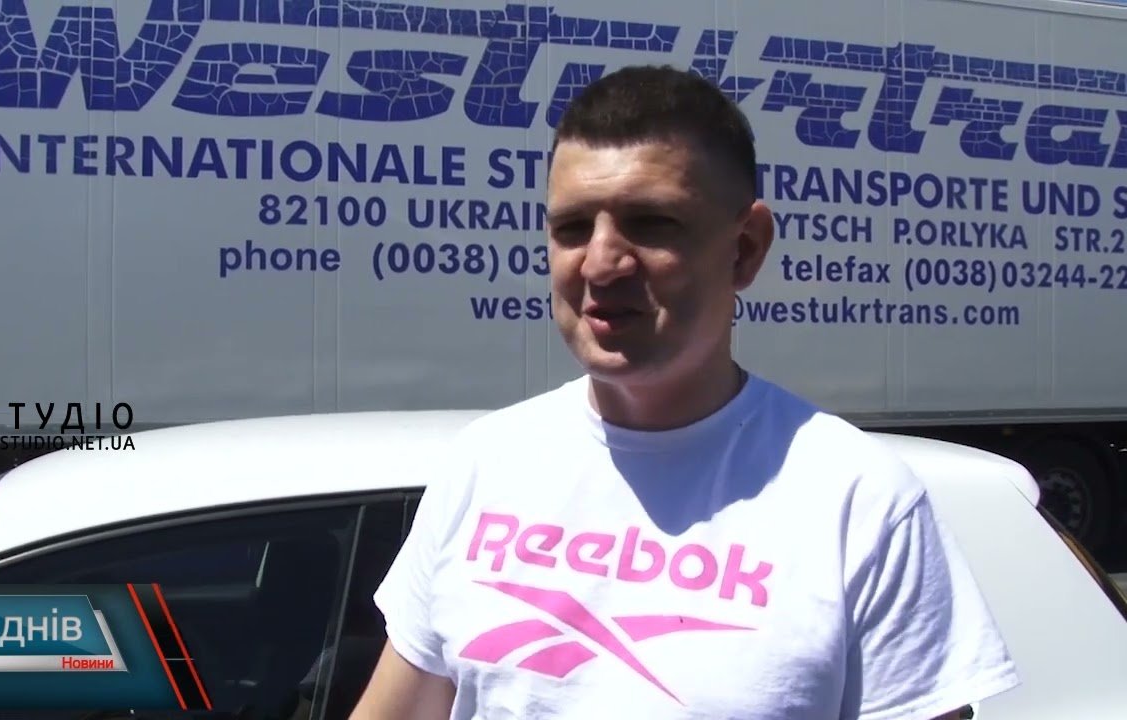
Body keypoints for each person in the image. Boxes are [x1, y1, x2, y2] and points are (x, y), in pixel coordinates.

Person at [348, 65, 1020, 719]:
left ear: (746, 248)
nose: (601, 263)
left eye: (651, 223)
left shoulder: (860, 501)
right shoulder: (487, 461)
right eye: (572, 228)